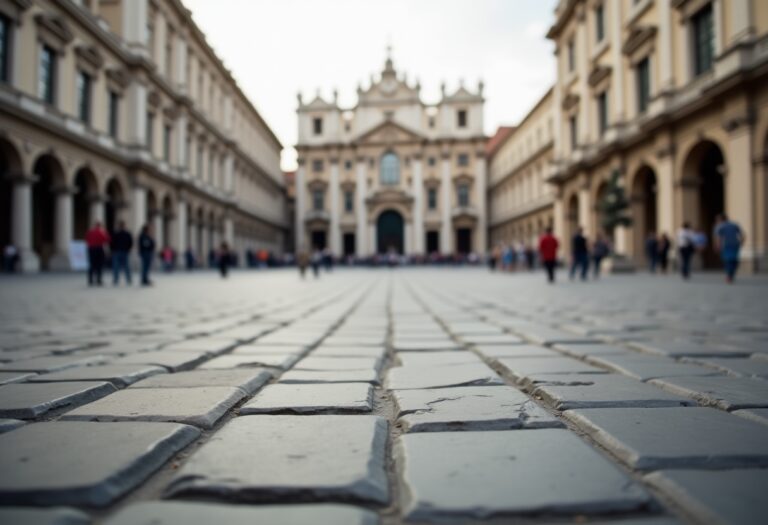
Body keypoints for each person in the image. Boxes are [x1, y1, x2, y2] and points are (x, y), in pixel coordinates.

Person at [714, 213, 744, 283]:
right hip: (735, 244)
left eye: (717, 219)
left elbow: (718, 237)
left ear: (720, 219)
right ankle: (731, 274)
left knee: (727, 260)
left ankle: (729, 275)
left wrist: (717, 246)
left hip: (726, 245)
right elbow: (742, 235)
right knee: (734, 259)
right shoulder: (735, 225)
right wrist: (741, 242)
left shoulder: (720, 227)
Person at [85, 221, 110, 286]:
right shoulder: (101, 232)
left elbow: (87, 239)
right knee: (99, 265)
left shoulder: (90, 232)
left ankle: (90, 280)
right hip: (99, 248)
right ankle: (99, 280)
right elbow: (107, 239)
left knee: (92, 265)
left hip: (91, 249)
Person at [111, 221, 133, 285]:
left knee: (124, 266)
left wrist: (128, 249)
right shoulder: (117, 233)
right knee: (118, 266)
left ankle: (124, 279)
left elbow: (130, 242)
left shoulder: (125, 233)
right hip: (118, 251)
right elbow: (112, 242)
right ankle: (118, 279)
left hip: (122, 251)